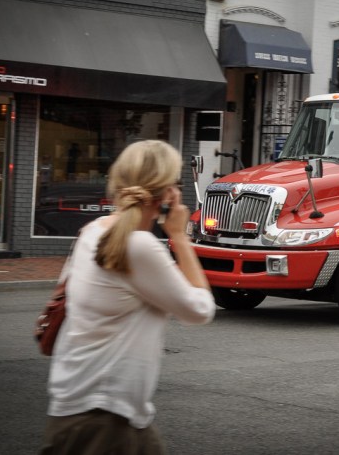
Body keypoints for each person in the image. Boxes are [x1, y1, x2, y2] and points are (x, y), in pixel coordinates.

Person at [40, 140, 215, 455]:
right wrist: (178, 234)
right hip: (105, 419)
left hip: (86, 407)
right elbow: (200, 309)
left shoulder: (92, 232)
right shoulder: (140, 247)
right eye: (174, 182)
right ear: (166, 194)